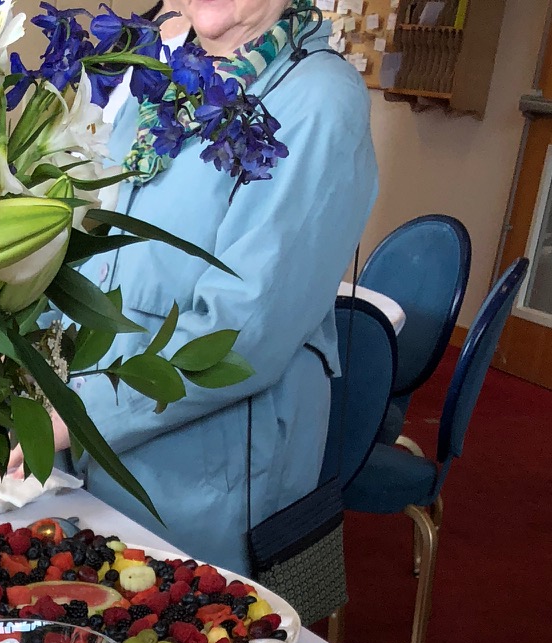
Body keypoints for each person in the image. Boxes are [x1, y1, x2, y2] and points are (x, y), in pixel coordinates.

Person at [57, 0, 378, 574]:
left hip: (206, 492)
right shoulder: (159, 75)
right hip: (85, 458)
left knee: (183, 628)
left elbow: (243, 332)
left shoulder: (322, 101)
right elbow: (88, 253)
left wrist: (72, 416)